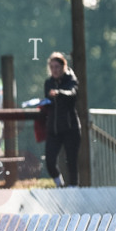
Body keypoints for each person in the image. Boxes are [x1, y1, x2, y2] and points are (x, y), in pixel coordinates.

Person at [43, 52, 80, 188]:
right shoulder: (48, 83)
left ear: (63, 66)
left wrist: (60, 93)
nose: (54, 70)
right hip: (54, 128)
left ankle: (74, 188)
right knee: (50, 161)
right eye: (52, 67)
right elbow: (49, 101)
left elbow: (72, 93)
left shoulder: (71, 79)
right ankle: (60, 184)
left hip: (70, 127)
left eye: (57, 67)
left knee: (71, 161)